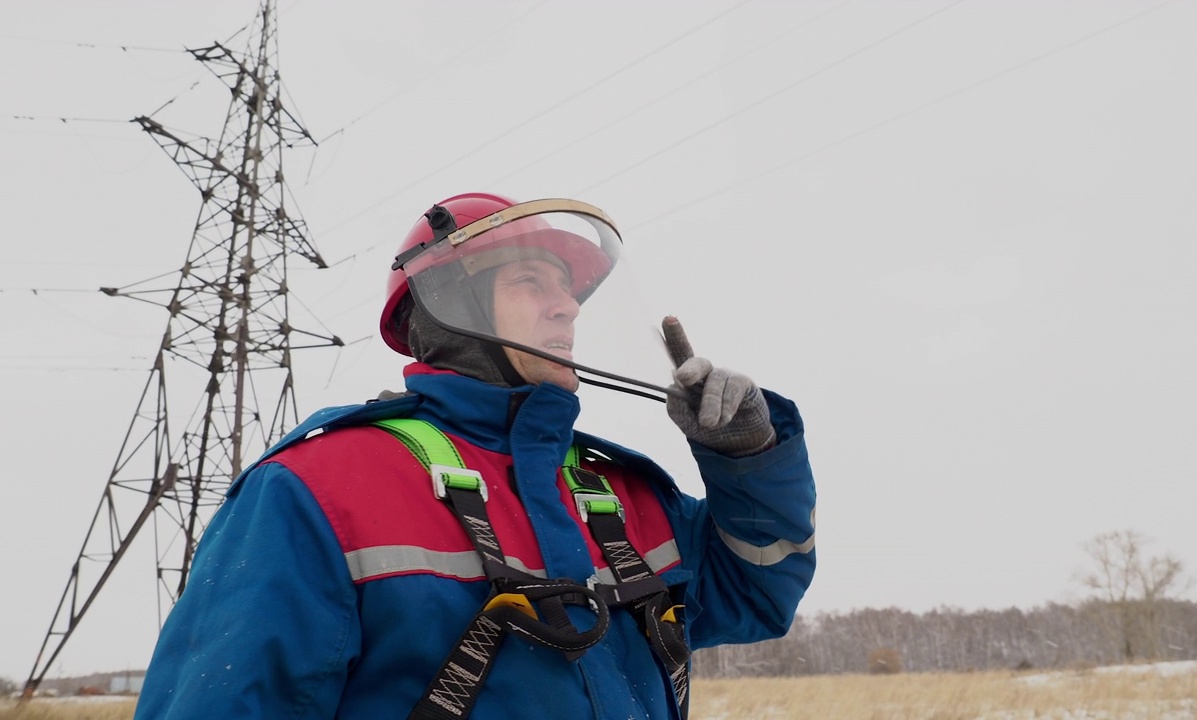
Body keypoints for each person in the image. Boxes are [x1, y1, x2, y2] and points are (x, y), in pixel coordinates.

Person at [134, 193, 816, 720]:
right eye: (532, 284)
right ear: (453, 303)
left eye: (570, 292)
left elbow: (757, 593)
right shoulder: (317, 490)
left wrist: (749, 460)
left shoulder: (619, 493)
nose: (567, 309)